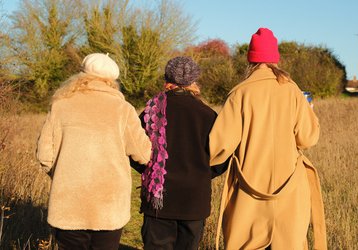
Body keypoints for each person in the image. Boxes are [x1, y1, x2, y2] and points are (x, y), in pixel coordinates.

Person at [209, 28, 327, 250]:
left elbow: (219, 147)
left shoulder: (240, 93)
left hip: (248, 191)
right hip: (290, 189)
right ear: (275, 58)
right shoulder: (293, 91)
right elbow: (308, 138)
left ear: (250, 59)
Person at [36, 53, 152, 250]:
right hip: (109, 205)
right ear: (112, 80)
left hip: (68, 203)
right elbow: (144, 154)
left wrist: (63, 174)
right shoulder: (123, 109)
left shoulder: (60, 106)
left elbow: (44, 156)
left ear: (81, 75)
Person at [130, 56, 227, 250]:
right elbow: (222, 158)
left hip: (158, 201)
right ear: (194, 81)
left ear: (166, 78)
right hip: (194, 201)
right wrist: (202, 175)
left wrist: (149, 171)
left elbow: (134, 149)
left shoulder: (150, 111)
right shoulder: (208, 115)